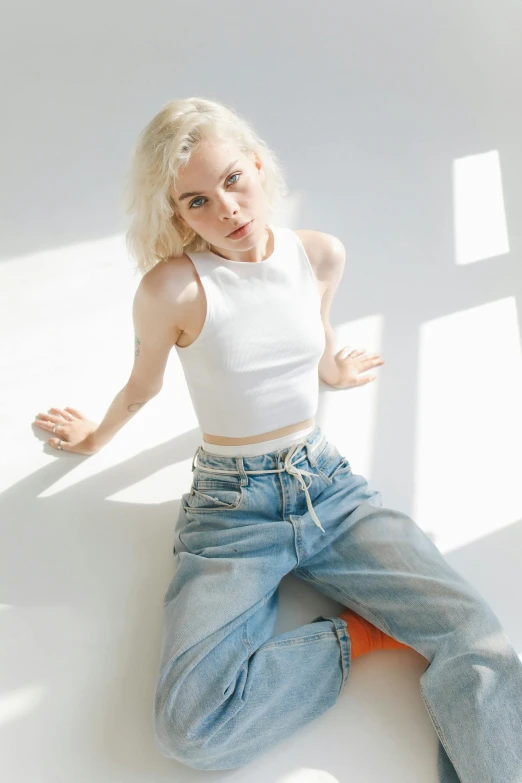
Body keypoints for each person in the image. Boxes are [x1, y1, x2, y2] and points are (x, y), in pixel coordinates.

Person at [33, 97, 522, 778]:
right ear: (176, 213)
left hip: (327, 485)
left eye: (233, 180)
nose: (226, 210)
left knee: (477, 636)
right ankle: (359, 634)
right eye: (197, 201)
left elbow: (312, 322)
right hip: (231, 511)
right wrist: (94, 436)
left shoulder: (318, 253)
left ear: (259, 166)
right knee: (191, 730)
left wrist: (331, 366)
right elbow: (142, 386)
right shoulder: (173, 288)